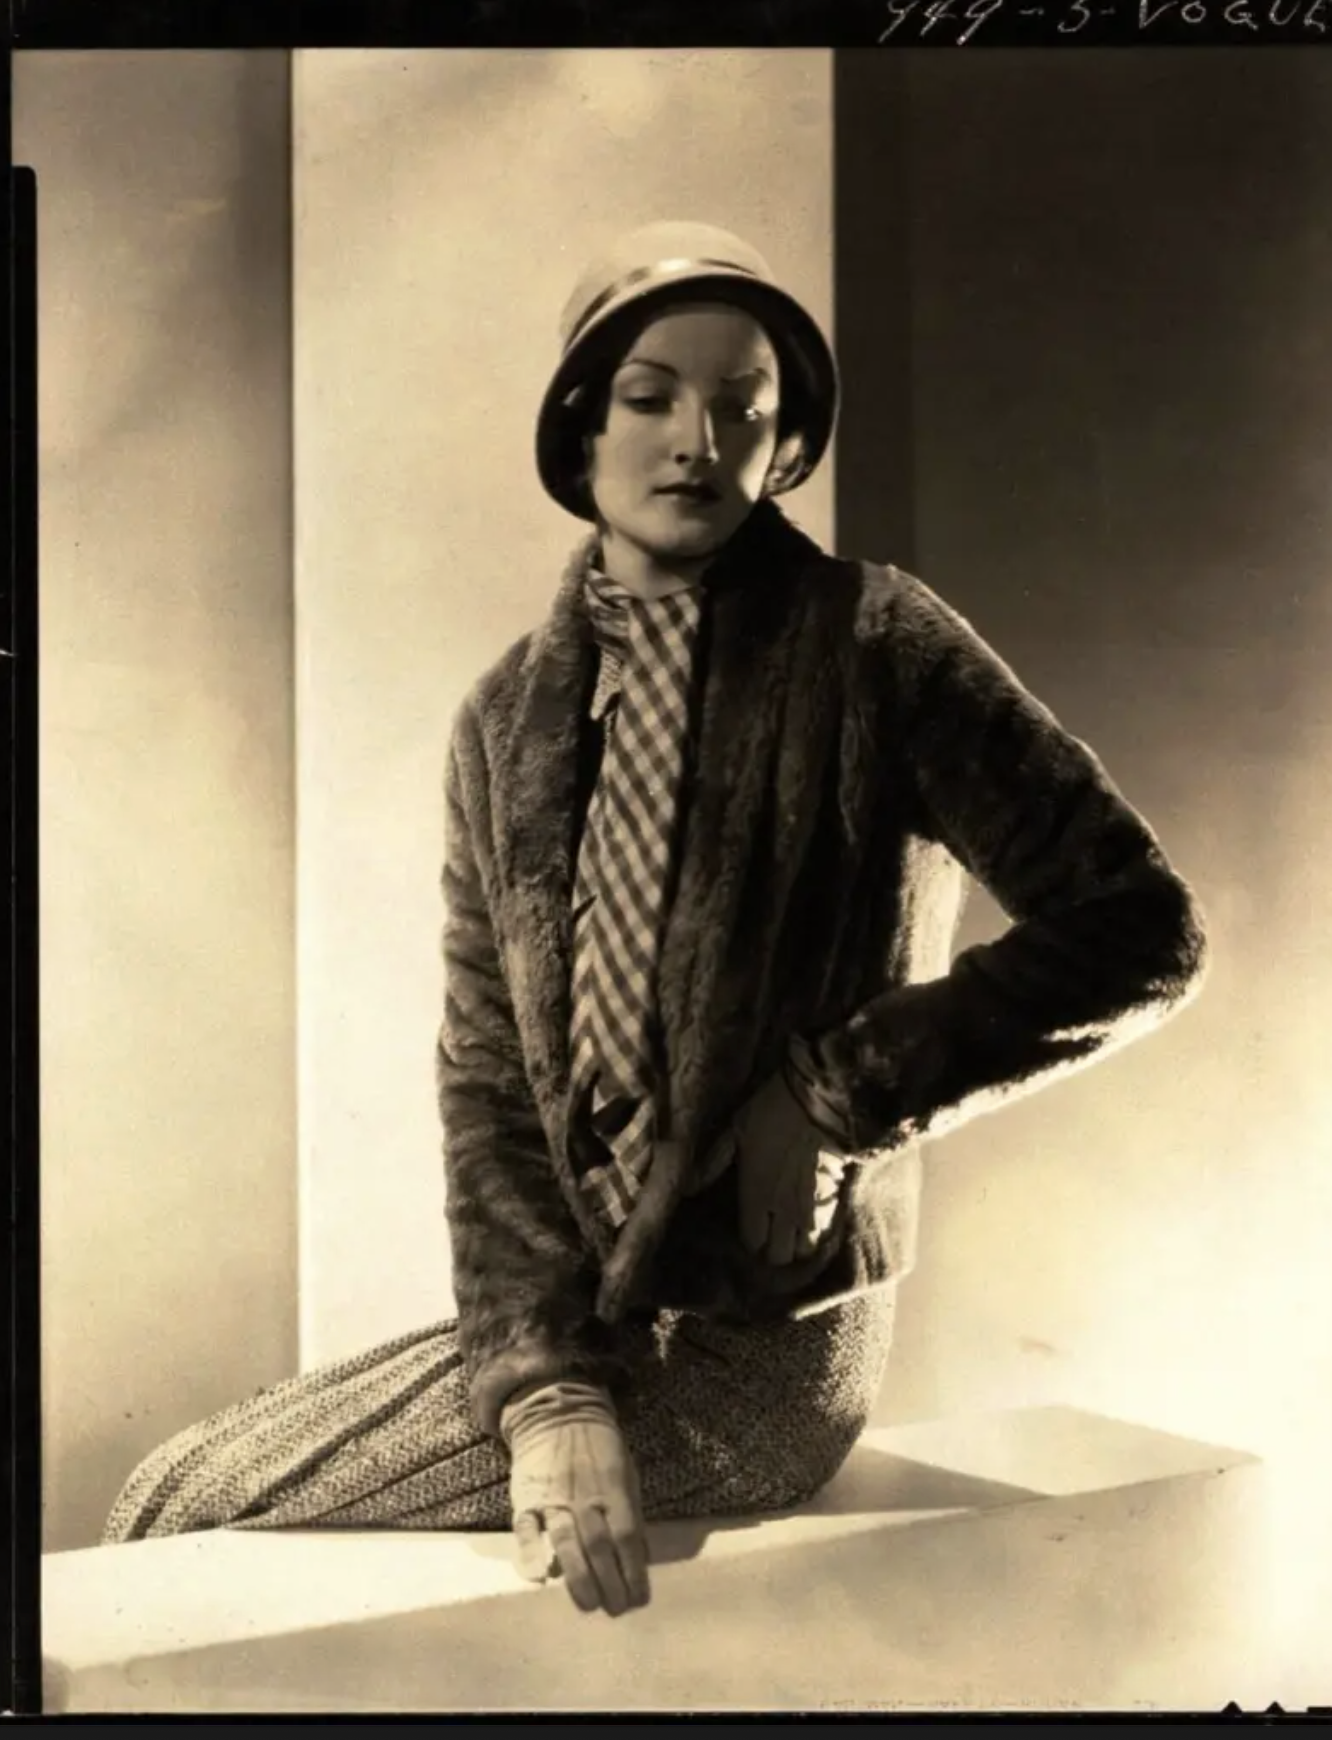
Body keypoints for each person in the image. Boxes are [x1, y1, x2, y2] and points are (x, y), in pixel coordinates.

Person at [103, 220, 1209, 1620]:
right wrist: (549, 1392)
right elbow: (491, 1084)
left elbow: (1138, 926)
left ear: (783, 443)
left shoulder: (873, 641)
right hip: (583, 1325)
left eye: (743, 407)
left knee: (180, 1505)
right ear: (582, 429)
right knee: (171, 1503)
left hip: (765, 1344)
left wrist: (833, 1099)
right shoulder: (505, 720)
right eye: (649, 397)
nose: (697, 440)